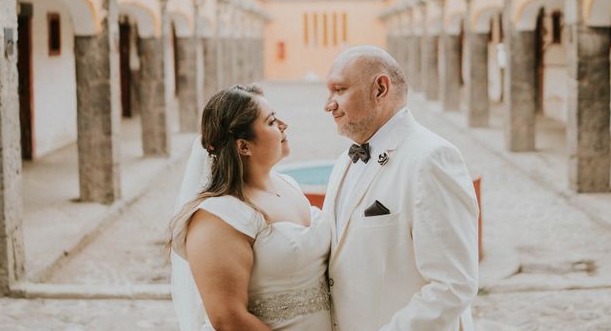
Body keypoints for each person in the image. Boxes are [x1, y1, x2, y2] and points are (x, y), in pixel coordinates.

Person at [323, 45, 479, 330]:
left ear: (380, 89)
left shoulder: (431, 159)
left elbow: (453, 285)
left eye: (339, 90)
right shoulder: (342, 163)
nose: (328, 104)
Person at [170, 85, 332, 330]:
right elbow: (228, 319)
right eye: (271, 121)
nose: (283, 125)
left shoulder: (289, 184)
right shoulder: (217, 218)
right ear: (243, 146)